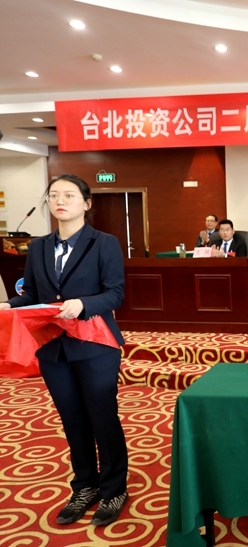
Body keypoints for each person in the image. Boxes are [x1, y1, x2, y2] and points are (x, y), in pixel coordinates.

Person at [0, 174, 129, 526]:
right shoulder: (39, 246)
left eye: (69, 195)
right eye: (54, 195)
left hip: (95, 344)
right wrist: (10, 305)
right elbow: (32, 295)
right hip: (53, 348)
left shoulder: (104, 243)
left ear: (86, 203)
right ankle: (85, 485)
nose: (60, 201)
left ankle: (114, 487)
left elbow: (115, 293)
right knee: (72, 418)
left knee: (102, 417)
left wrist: (84, 304)